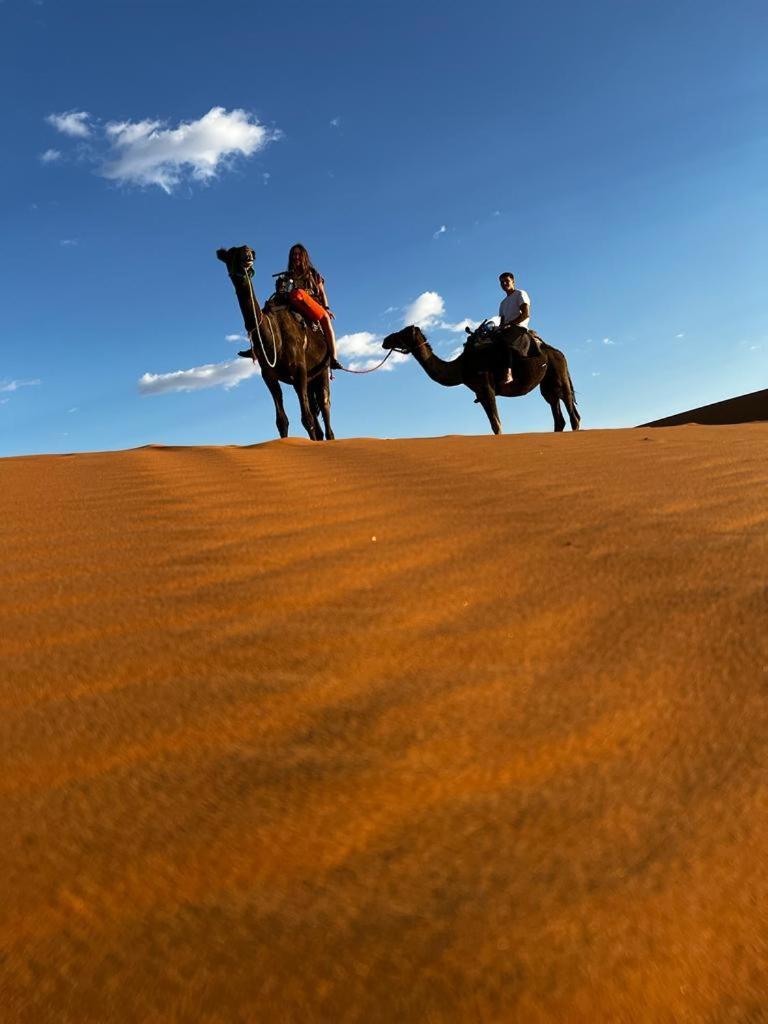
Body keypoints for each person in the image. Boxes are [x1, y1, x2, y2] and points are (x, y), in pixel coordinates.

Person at [287, 243, 342, 370]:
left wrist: (326, 308)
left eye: (299, 254)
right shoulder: (287, 276)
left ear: (304, 256)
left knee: (326, 319)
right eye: (294, 255)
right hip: (292, 306)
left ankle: (333, 358)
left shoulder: (313, 274)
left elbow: (322, 293)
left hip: (311, 304)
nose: (296, 257)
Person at [497, 272, 531, 385]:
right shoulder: (502, 303)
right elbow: (501, 322)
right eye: (502, 282)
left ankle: (508, 372)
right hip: (506, 328)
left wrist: (510, 324)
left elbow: (526, 314)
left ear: (513, 281)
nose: (504, 283)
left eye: (506, 281)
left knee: (503, 341)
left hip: (518, 328)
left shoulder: (520, 293)